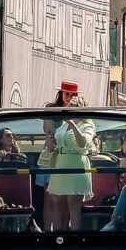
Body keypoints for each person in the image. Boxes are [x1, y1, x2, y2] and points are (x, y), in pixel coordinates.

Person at [46, 97, 97, 231]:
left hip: (76, 163)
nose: (68, 106)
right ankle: (57, 236)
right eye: (68, 104)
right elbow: (54, 141)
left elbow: (83, 143)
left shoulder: (87, 125)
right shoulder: (62, 124)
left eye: (72, 105)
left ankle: (74, 239)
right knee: (57, 205)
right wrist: (51, 144)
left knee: (73, 205)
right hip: (60, 163)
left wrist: (73, 125)